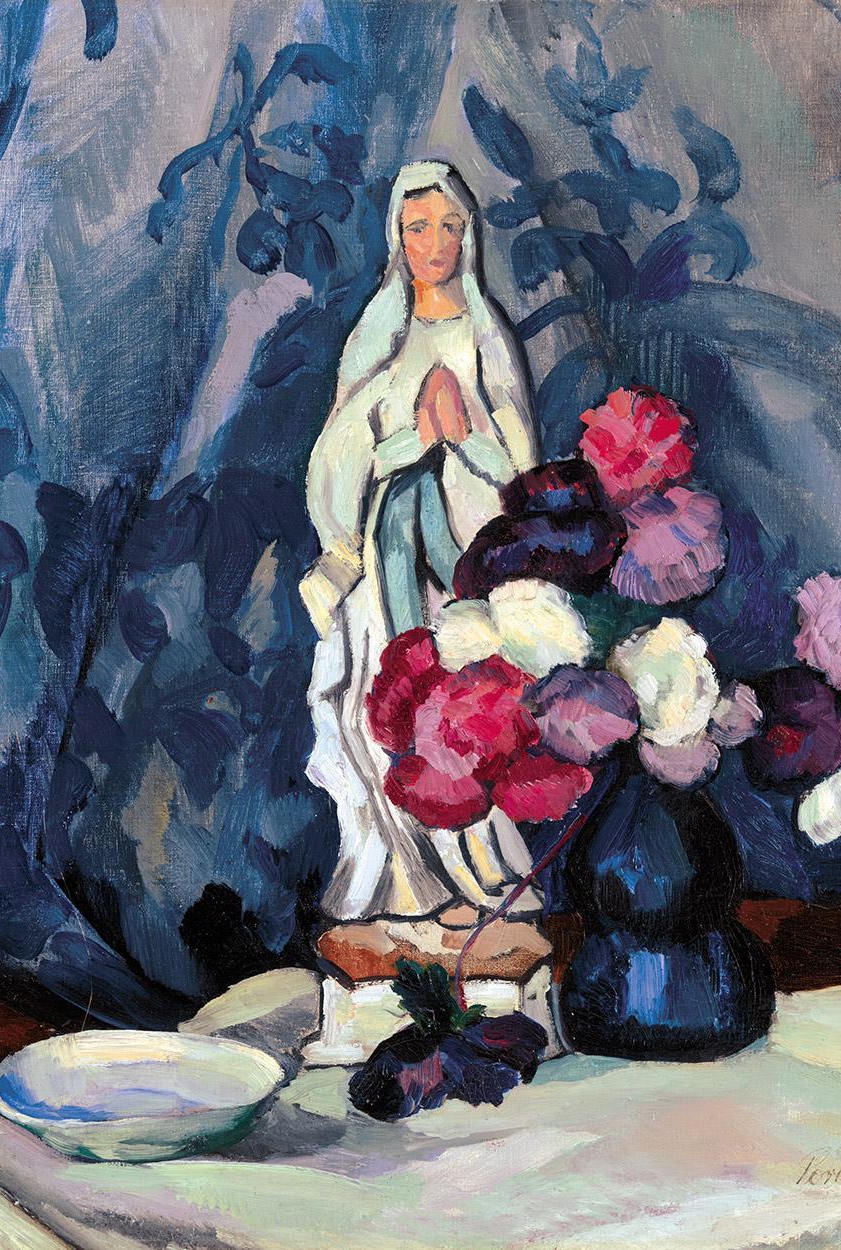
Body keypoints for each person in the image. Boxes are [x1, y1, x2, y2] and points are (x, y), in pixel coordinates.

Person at [302, 160, 540, 922]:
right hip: (385, 548)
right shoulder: (381, 331)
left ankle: (472, 869)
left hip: (464, 544)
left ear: (467, 237)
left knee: (468, 703)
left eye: (448, 227)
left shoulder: (484, 334)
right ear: (397, 238)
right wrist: (411, 431)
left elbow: (518, 462)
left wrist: (460, 432)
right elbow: (344, 450)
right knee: (379, 705)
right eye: (417, 228)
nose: (433, 243)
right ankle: (405, 880)